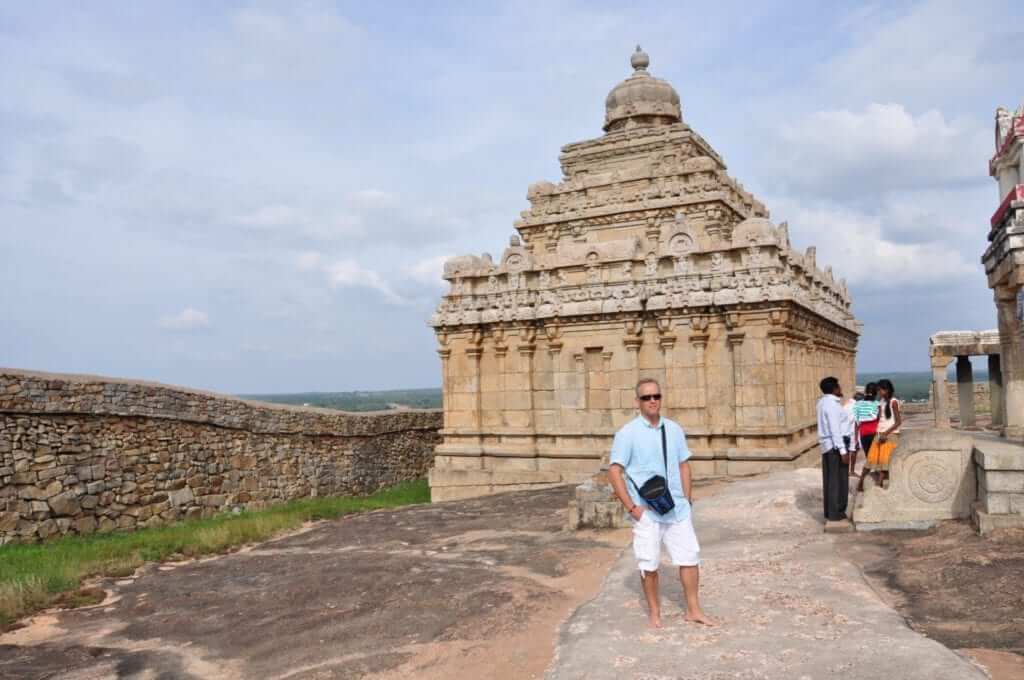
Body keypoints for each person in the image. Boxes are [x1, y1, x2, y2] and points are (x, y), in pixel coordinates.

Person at [608, 378, 717, 629]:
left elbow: (683, 464)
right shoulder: (627, 434)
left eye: (656, 396)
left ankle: (693, 609)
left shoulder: (674, 429)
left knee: (690, 558)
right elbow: (614, 471)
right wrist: (632, 509)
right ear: (637, 402)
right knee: (649, 563)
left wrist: (687, 499)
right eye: (646, 397)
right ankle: (655, 612)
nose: (652, 401)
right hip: (647, 511)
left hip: (677, 508)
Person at [816, 376, 849, 521]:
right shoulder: (831, 404)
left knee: (830, 480)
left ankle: (830, 512)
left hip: (828, 445)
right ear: (834, 389)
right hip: (835, 446)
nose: (841, 389)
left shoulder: (822, 402)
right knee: (837, 481)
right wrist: (842, 450)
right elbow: (834, 428)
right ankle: (836, 512)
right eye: (839, 386)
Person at [866, 379, 901, 487]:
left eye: (880, 390)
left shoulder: (894, 402)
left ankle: (878, 484)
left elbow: (898, 421)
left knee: (884, 462)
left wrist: (886, 433)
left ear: (886, 390)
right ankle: (879, 484)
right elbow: (880, 418)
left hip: (890, 434)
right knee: (873, 461)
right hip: (880, 433)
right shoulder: (881, 401)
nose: (879, 393)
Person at [854, 382, 881, 492]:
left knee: (869, 457)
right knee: (877, 459)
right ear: (876, 392)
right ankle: (873, 483)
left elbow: (856, 422)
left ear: (865, 391)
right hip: (874, 432)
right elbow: (879, 419)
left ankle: (862, 483)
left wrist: (855, 439)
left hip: (863, 433)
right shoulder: (877, 404)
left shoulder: (858, 404)